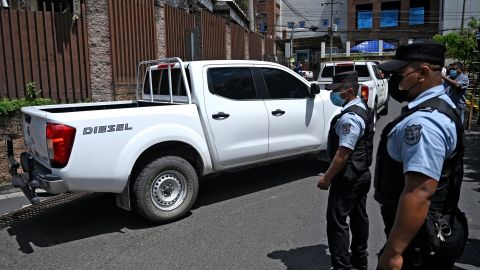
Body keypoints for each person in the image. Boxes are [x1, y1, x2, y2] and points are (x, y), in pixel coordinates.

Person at [375, 42, 468, 270]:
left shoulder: (423, 124)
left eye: (400, 73)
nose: (394, 80)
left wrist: (394, 253)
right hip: (429, 232)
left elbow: (419, 193)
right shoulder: (441, 104)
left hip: (419, 244)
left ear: (423, 73)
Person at [317, 71, 374, 270]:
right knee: (359, 217)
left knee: (337, 220)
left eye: (337, 91)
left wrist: (326, 178)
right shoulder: (362, 107)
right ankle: (360, 260)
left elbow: (343, 154)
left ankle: (342, 266)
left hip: (348, 176)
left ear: (349, 91)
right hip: (362, 173)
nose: (333, 95)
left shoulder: (350, 117)